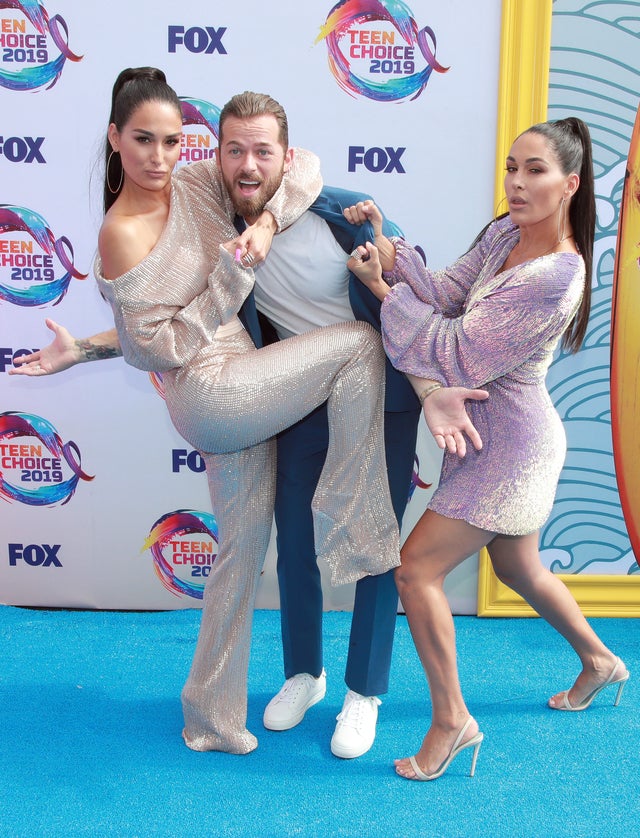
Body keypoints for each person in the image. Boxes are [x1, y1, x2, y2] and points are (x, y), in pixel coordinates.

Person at [11, 83, 486, 759]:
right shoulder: (193, 219)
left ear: (283, 159)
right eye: (233, 150)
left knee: (346, 531)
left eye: (262, 152)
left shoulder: (336, 215)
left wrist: (433, 388)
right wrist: (94, 344)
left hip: (379, 392)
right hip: (272, 393)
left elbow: (403, 309)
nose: (247, 167)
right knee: (299, 537)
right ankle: (303, 672)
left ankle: (348, 695)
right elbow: (162, 328)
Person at [346, 117, 629, 781]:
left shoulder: (557, 276)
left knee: (414, 570)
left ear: (571, 185)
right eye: (512, 167)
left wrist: (384, 293)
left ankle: (452, 722)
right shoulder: (505, 231)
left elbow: (459, 353)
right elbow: (445, 293)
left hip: (511, 451)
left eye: (535, 170)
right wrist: (392, 250)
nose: (518, 183)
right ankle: (600, 662)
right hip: (487, 437)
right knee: (518, 568)